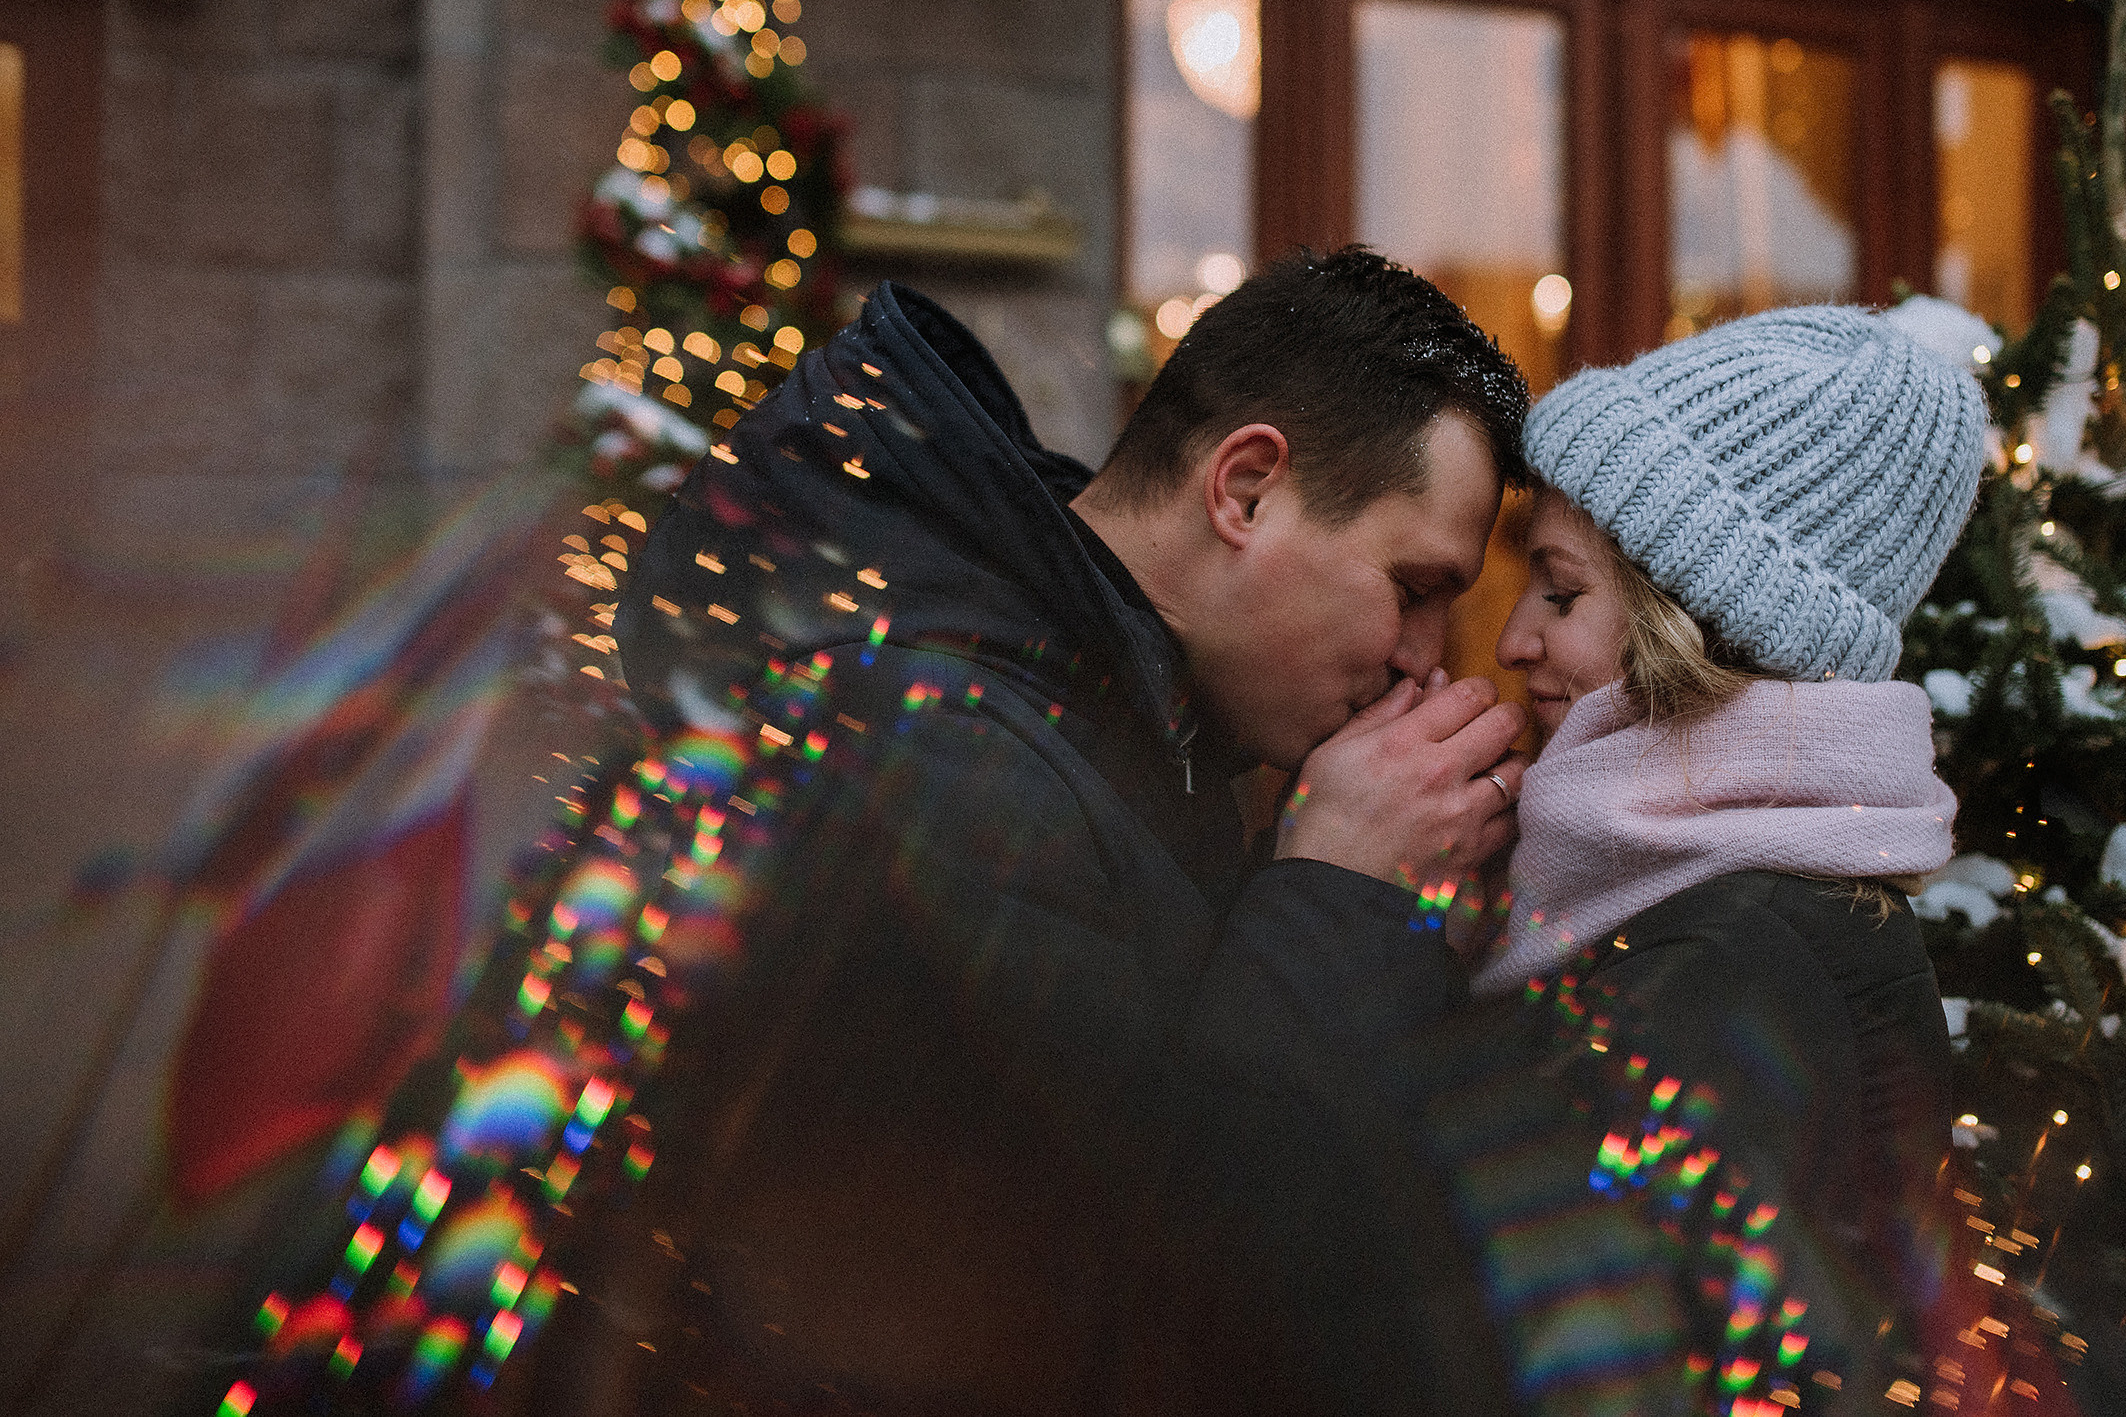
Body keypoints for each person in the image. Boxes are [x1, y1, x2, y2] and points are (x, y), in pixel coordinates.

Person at [541, 247, 1532, 1415]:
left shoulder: (1109, 723)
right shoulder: (939, 757)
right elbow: (1127, 1301)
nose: (1428, 656)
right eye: (1414, 587)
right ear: (1247, 489)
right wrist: (1338, 892)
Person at [1414, 304, 1985, 1412]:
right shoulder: (1702, 900)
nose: (1514, 638)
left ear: (1701, 626)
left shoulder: (1730, 959)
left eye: (1563, 590)